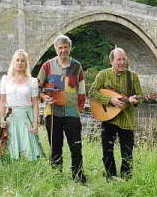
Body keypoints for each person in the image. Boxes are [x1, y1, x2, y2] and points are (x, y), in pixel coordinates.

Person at [37, 34, 86, 183]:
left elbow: (82, 89)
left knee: (76, 147)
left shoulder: (76, 66)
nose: (63, 50)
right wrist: (43, 97)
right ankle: (56, 177)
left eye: (66, 47)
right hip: (52, 113)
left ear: (70, 48)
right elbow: (37, 87)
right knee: (55, 147)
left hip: (72, 113)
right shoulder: (47, 65)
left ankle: (78, 176)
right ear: (55, 49)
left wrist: (80, 108)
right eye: (60, 47)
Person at [88, 48, 142, 180]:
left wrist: (133, 100)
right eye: (119, 59)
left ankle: (126, 179)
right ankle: (110, 177)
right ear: (111, 61)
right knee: (107, 151)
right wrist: (109, 99)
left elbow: (139, 95)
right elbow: (92, 92)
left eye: (124, 59)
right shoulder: (103, 74)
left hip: (126, 120)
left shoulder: (132, 76)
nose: (122, 62)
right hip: (108, 119)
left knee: (127, 153)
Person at [0, 49, 45, 160]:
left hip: (26, 118)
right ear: (13, 62)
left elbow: (35, 103)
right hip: (11, 118)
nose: (20, 63)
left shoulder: (33, 81)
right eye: (17, 60)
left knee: (29, 153)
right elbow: (2, 100)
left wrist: (35, 122)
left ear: (26, 64)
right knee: (9, 153)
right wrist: (1, 118)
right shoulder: (5, 80)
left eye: (23, 61)